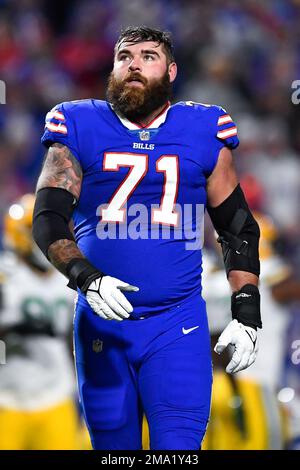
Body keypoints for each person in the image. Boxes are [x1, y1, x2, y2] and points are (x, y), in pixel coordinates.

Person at [32, 26, 262, 450]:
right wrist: (86, 276)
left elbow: (237, 228)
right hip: (103, 321)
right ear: (114, 66)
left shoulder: (203, 126)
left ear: (171, 71)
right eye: (125, 56)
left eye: (148, 56)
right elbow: (47, 218)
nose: (134, 63)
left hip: (179, 324)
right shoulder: (79, 122)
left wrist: (247, 311)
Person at [0, 194, 80, 450]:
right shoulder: (6, 275)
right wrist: (13, 330)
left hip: (56, 394)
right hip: (8, 396)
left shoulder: (66, 278)